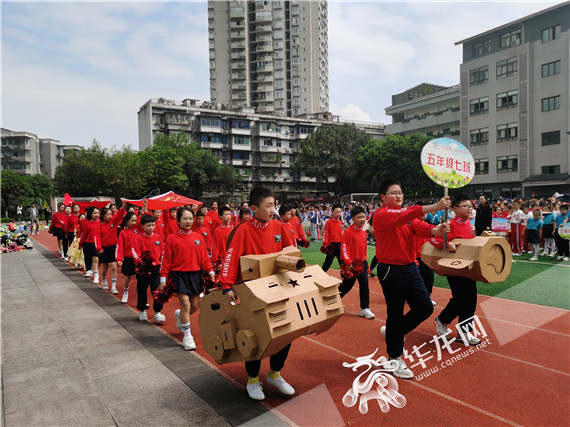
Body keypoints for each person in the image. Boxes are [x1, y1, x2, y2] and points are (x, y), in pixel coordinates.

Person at [219, 187, 294, 401]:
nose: (273, 209)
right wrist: (226, 286)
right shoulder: (243, 230)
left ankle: (275, 374)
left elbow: (290, 252)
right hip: (252, 292)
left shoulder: (279, 226)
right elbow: (230, 259)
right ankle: (253, 379)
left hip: (278, 289)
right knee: (255, 336)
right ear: (253, 208)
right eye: (268, 206)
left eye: (274, 205)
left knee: (285, 333)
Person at [373, 180, 450, 379]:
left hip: (410, 267)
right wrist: (436, 206)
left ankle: (393, 333)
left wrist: (437, 230)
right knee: (396, 313)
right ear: (383, 196)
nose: (399, 196)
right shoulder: (382, 215)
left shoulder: (405, 215)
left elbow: (421, 227)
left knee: (425, 307)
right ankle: (394, 357)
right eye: (393, 193)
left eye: (401, 193)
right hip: (391, 269)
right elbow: (407, 215)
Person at [159, 207, 215, 350]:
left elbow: (204, 258)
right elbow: (166, 261)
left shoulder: (198, 237)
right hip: (179, 275)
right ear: (178, 221)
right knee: (185, 304)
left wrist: (210, 272)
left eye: (190, 218)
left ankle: (181, 317)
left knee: (195, 305)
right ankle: (187, 336)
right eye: (185, 219)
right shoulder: (172, 238)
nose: (188, 221)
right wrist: (163, 279)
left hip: (195, 274)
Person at [431, 195, 481, 346]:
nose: (469, 208)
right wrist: (446, 245)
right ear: (455, 209)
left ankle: (464, 332)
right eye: (465, 206)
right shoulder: (448, 224)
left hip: (468, 267)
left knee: (471, 299)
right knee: (461, 298)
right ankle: (442, 320)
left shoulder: (468, 224)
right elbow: (433, 240)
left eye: (471, 206)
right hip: (453, 267)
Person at [339, 206, 375, 319]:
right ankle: (332, 300)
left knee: (365, 285)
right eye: (359, 217)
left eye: (364, 217)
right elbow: (344, 248)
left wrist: (366, 263)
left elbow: (363, 249)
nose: (362, 219)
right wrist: (349, 263)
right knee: (346, 286)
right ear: (353, 218)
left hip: (362, 264)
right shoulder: (348, 232)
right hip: (351, 265)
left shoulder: (364, 233)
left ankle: (364, 308)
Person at [132, 214, 166, 323]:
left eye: (153, 225)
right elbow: (134, 252)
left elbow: (163, 252)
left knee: (157, 289)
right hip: (143, 269)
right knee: (142, 290)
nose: (151, 227)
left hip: (156, 268)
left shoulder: (158, 237)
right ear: (142, 226)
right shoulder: (138, 238)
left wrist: (162, 264)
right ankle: (142, 310)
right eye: (148, 225)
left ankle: (157, 312)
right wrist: (140, 262)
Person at [99, 206, 124, 293]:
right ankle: (103, 279)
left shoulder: (113, 222)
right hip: (103, 248)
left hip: (113, 247)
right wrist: (99, 248)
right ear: (102, 215)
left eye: (111, 214)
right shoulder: (99, 225)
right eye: (107, 214)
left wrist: (123, 206)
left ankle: (113, 287)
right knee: (105, 267)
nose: (110, 216)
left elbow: (120, 216)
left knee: (114, 266)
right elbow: (97, 238)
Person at [116, 212, 139, 303]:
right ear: (126, 221)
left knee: (140, 278)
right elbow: (120, 246)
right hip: (128, 257)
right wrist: (119, 258)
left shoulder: (138, 229)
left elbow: (144, 217)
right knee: (128, 276)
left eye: (135, 221)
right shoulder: (123, 232)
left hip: (138, 258)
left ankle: (141, 296)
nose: (134, 223)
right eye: (132, 221)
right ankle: (125, 292)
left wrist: (144, 207)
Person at [78, 206, 103, 284]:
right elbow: (84, 234)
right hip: (88, 243)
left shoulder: (100, 223)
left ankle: (96, 275)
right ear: (90, 214)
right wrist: (80, 244)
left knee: (96, 259)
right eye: (94, 213)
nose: (96, 215)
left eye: (98, 213)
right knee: (87, 257)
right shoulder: (87, 223)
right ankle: (89, 270)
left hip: (97, 244)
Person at [321, 204, 343, 272]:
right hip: (331, 245)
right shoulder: (329, 222)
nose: (339, 213)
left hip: (339, 245)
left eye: (340, 212)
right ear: (332, 212)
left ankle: (345, 279)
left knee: (342, 263)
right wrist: (326, 244)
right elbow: (325, 234)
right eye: (337, 212)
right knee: (328, 262)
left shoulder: (340, 222)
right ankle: (321, 276)